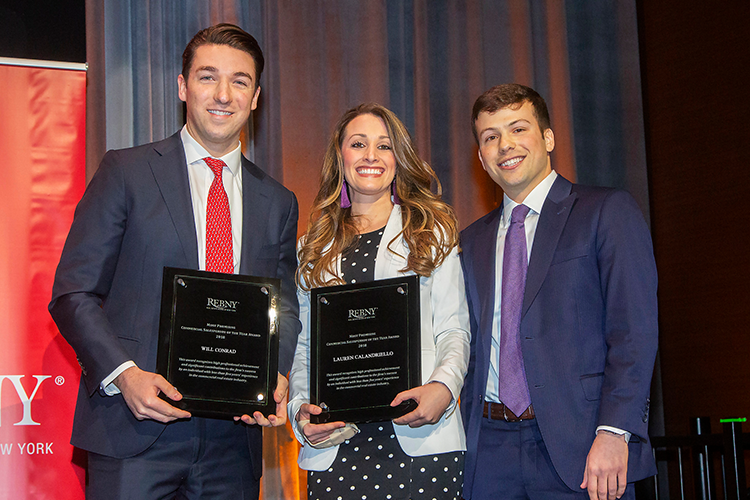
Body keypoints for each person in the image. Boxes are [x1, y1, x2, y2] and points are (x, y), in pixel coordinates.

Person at [48, 23, 301, 499]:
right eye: (208, 77)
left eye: (240, 81)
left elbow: (284, 306)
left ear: (256, 96)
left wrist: (275, 374)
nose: (223, 94)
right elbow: (73, 292)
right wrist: (125, 377)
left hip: (234, 440)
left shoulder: (279, 201)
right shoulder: (125, 171)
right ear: (183, 86)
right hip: (135, 430)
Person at [459, 84, 658, 500]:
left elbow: (633, 331)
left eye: (518, 129)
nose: (505, 145)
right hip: (487, 454)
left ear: (548, 138)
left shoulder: (606, 211)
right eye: (490, 137)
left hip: (584, 447)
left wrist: (614, 431)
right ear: (480, 156)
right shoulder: (469, 242)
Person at [288, 103, 470, 500]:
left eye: (384, 146)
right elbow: (303, 349)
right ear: (341, 157)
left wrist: (443, 387)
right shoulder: (311, 248)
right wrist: (300, 413)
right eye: (358, 144)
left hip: (421, 441)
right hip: (336, 450)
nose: (371, 156)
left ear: (398, 158)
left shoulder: (431, 232)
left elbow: (454, 329)